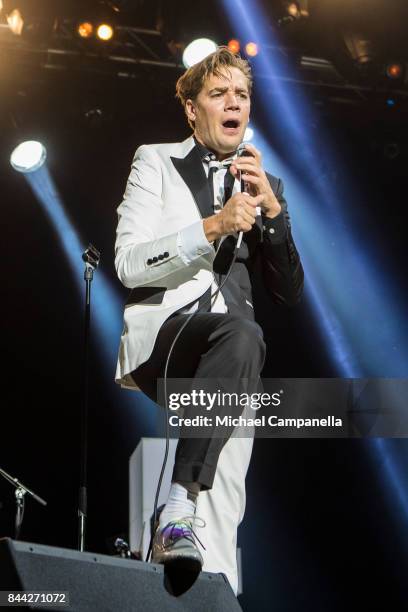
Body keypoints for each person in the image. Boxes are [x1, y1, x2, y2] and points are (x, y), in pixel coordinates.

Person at [114, 47, 304, 594]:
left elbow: (287, 292)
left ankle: (200, 586)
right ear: (192, 110)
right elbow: (128, 263)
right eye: (218, 93)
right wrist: (213, 226)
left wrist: (273, 213)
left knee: (225, 500)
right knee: (241, 335)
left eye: (241, 94)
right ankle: (175, 506)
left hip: (235, 359)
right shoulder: (156, 161)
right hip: (168, 339)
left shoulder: (265, 183)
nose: (233, 103)